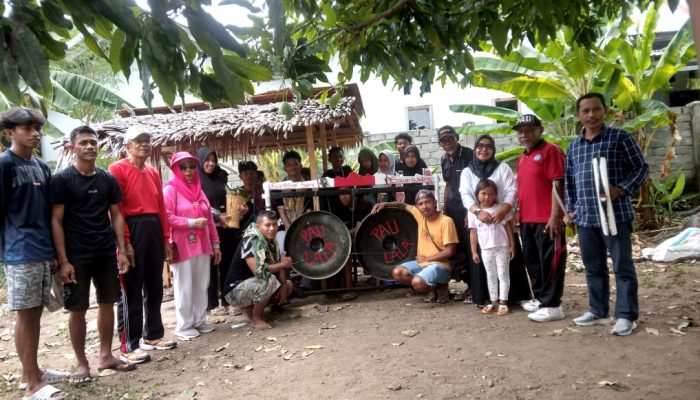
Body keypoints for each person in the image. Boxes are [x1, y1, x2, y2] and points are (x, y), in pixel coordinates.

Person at [51, 126, 136, 384]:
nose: (90, 146)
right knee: (77, 309)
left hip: (104, 251)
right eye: (84, 143)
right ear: (72, 147)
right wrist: (63, 260)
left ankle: (105, 356)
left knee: (107, 303)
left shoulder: (106, 179)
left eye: (93, 142)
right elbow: (56, 221)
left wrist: (122, 249)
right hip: (76, 255)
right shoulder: (62, 180)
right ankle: (81, 364)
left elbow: (117, 214)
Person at [565, 93, 648, 336]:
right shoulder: (574, 146)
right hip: (586, 218)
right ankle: (598, 311)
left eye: (596, 109)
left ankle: (626, 315)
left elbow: (641, 168)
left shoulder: (619, 137)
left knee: (622, 266)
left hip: (616, 215)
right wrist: (571, 209)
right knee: (593, 267)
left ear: (605, 111)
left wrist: (621, 189)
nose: (591, 115)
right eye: (586, 111)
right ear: (579, 115)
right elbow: (570, 182)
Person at [0, 107, 69, 400]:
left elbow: (49, 214)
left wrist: (55, 253)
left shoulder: (41, 166)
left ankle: (33, 372)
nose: (34, 133)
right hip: (20, 251)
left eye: (36, 128)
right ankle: (32, 387)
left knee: (35, 315)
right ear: (9, 133)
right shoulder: (4, 164)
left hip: (42, 250)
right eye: (26, 128)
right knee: (25, 316)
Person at [108, 125, 176, 364]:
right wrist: (125, 243)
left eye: (147, 140)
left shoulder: (153, 172)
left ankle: (153, 335)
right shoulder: (117, 169)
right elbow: (117, 210)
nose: (144, 144)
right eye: (139, 141)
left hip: (153, 230)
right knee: (131, 289)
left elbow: (160, 208)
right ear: (127, 146)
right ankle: (129, 344)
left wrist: (166, 238)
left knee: (155, 286)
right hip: (132, 228)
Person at [459, 134, 530, 307]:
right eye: (480, 146)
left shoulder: (503, 168)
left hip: (502, 217)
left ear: (494, 149)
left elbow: (512, 189)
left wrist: (505, 209)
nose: (484, 149)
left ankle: (512, 297)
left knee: (508, 256)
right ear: (475, 148)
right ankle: (486, 298)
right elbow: (465, 194)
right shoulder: (468, 172)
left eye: (488, 146)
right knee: (483, 257)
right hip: (479, 220)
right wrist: (477, 212)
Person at [514, 114, 567, 322]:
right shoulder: (523, 157)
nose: (524, 135)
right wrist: (519, 212)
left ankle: (553, 305)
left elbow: (557, 184)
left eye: (529, 130)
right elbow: (524, 188)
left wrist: (556, 216)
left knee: (550, 262)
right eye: (520, 132)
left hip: (547, 219)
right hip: (528, 219)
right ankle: (540, 299)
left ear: (540, 130)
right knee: (533, 262)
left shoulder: (551, 151)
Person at [164, 152, 222, 339]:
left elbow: (210, 221)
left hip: (203, 243)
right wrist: (190, 223)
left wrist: (216, 244)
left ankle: (199, 320)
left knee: (201, 283)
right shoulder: (170, 190)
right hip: (182, 244)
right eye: (183, 166)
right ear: (175, 169)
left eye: (191, 166)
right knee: (185, 285)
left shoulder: (199, 190)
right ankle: (184, 325)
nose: (188, 170)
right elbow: (166, 217)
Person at [372, 190, 458, 303]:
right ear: (417, 206)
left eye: (428, 202)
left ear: (435, 202)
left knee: (417, 283)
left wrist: (427, 259)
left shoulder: (446, 222)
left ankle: (441, 286)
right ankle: (431, 287)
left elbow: (450, 251)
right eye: (420, 204)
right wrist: (385, 204)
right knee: (397, 273)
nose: (424, 207)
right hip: (422, 264)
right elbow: (402, 205)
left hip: (441, 265)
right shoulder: (420, 216)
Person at [224, 210, 293, 329]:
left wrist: (284, 286)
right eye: (267, 225)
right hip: (234, 291)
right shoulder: (251, 241)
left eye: (274, 224)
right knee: (269, 280)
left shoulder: (271, 241)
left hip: (251, 285)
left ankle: (252, 311)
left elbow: (277, 263)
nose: (272, 228)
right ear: (258, 226)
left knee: (288, 285)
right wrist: (283, 265)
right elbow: (259, 271)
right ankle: (256, 319)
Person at [197, 147, 238, 316]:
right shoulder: (196, 182)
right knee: (211, 266)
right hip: (207, 228)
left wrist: (237, 209)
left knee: (227, 264)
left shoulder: (220, 178)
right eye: (207, 160)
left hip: (225, 227)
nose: (211, 163)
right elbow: (199, 205)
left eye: (213, 160)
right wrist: (216, 217)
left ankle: (228, 301)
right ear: (200, 161)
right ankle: (212, 304)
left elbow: (228, 198)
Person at [468, 179, 516, 315]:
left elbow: (508, 227)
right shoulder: (473, 212)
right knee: (491, 275)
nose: (487, 197)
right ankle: (493, 301)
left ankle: (503, 302)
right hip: (485, 249)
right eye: (483, 193)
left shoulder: (501, 209)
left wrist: (513, 246)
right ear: (477, 194)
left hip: (502, 247)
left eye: (491, 194)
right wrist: (473, 251)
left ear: (496, 195)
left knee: (503, 274)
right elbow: (473, 232)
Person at [438, 125, 474, 302]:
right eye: (443, 140)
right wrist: (445, 211)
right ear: (440, 144)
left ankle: (475, 287)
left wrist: (471, 211)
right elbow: (448, 185)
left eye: (450, 139)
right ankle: (468, 286)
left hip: (467, 209)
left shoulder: (469, 154)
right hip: (452, 210)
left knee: (470, 247)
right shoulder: (444, 159)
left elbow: (477, 183)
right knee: (458, 249)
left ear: (456, 138)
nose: (447, 143)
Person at [277, 150, 313, 230]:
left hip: (305, 226)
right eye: (288, 165)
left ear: (300, 166)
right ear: (284, 168)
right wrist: (291, 230)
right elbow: (281, 212)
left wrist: (305, 228)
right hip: (286, 227)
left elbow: (309, 211)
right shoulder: (279, 187)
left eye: (295, 164)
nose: (292, 167)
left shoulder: (308, 186)